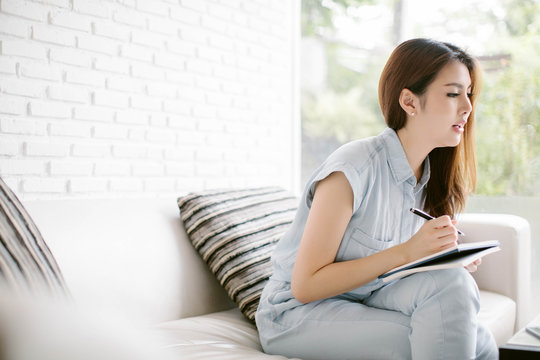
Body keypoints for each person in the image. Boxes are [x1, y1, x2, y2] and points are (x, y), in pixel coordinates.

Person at [255, 38, 498, 360]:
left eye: (469, 94)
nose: (467, 107)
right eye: (453, 93)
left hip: (367, 296)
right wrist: (407, 252)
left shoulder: (430, 177)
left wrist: (441, 260)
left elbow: (393, 268)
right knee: (418, 340)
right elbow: (306, 285)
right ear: (410, 102)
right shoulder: (354, 166)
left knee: (476, 331)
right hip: (298, 312)